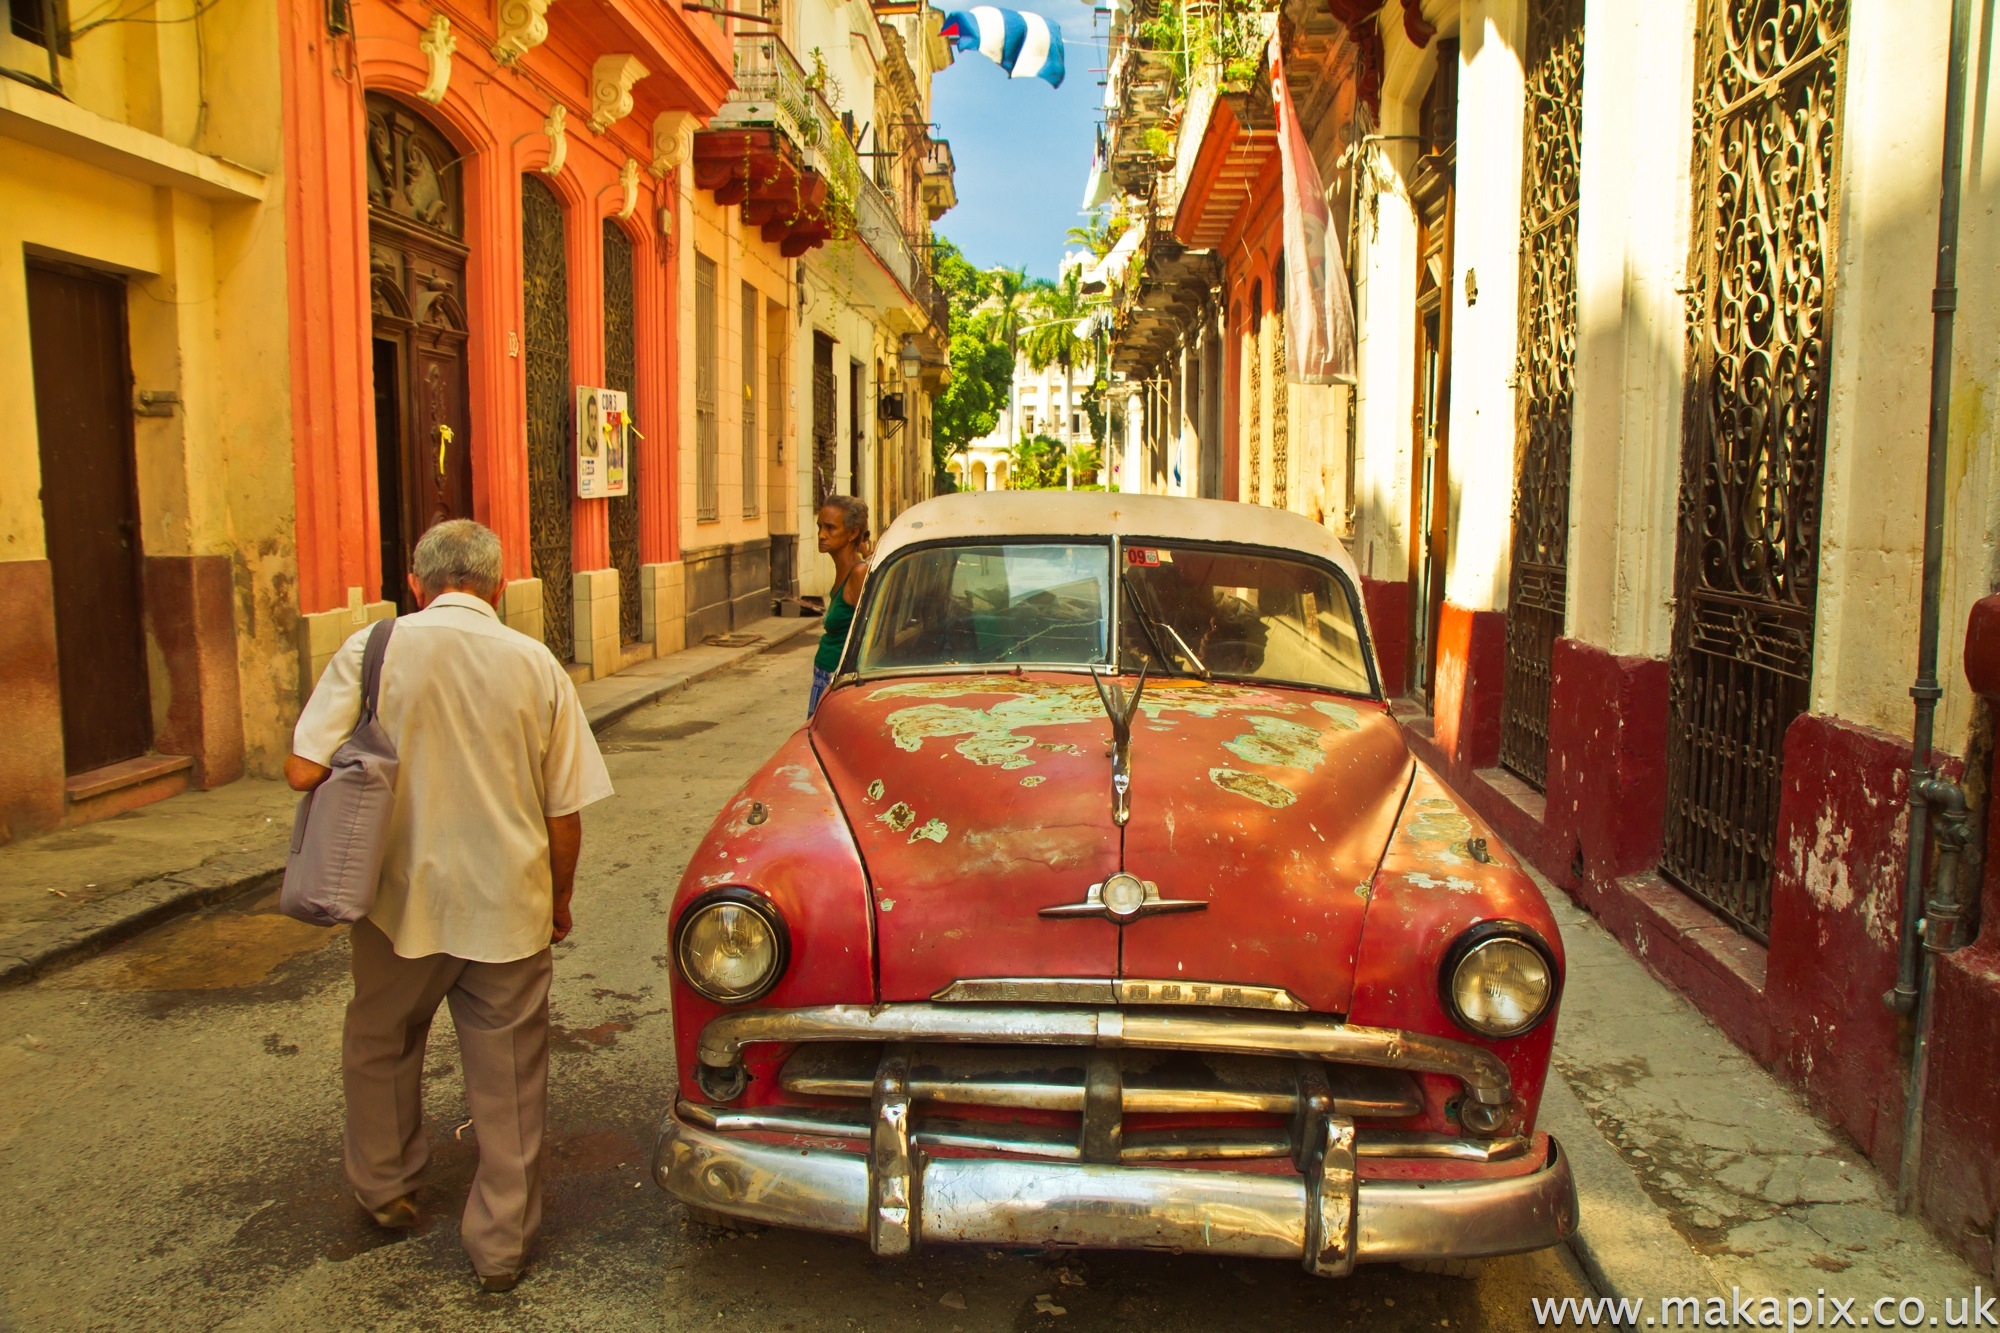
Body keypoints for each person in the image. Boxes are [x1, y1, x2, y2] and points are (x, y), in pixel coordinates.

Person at [286, 519, 613, 1294]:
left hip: (398, 902)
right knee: (509, 1077)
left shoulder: (373, 651)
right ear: (498, 587)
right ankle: (501, 1247)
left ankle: (388, 1184)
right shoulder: (536, 665)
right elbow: (564, 810)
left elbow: (304, 769)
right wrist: (558, 898)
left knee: (380, 1037)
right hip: (508, 902)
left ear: (415, 582)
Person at [811, 496, 871, 714]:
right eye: (819, 527)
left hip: (836, 680)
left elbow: (869, 634)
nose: (821, 535)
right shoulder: (846, 571)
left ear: (852, 533)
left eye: (830, 528)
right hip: (825, 675)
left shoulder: (858, 574)